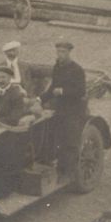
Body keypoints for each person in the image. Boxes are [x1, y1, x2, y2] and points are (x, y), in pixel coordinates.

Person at [39, 41, 87, 172]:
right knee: (53, 136)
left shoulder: (77, 69)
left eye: (63, 52)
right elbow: (53, 88)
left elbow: (81, 91)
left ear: (69, 53)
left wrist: (63, 91)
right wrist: (39, 99)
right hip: (60, 108)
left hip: (74, 110)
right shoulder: (57, 67)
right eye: (58, 51)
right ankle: (56, 166)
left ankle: (69, 173)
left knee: (70, 141)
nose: (60, 54)